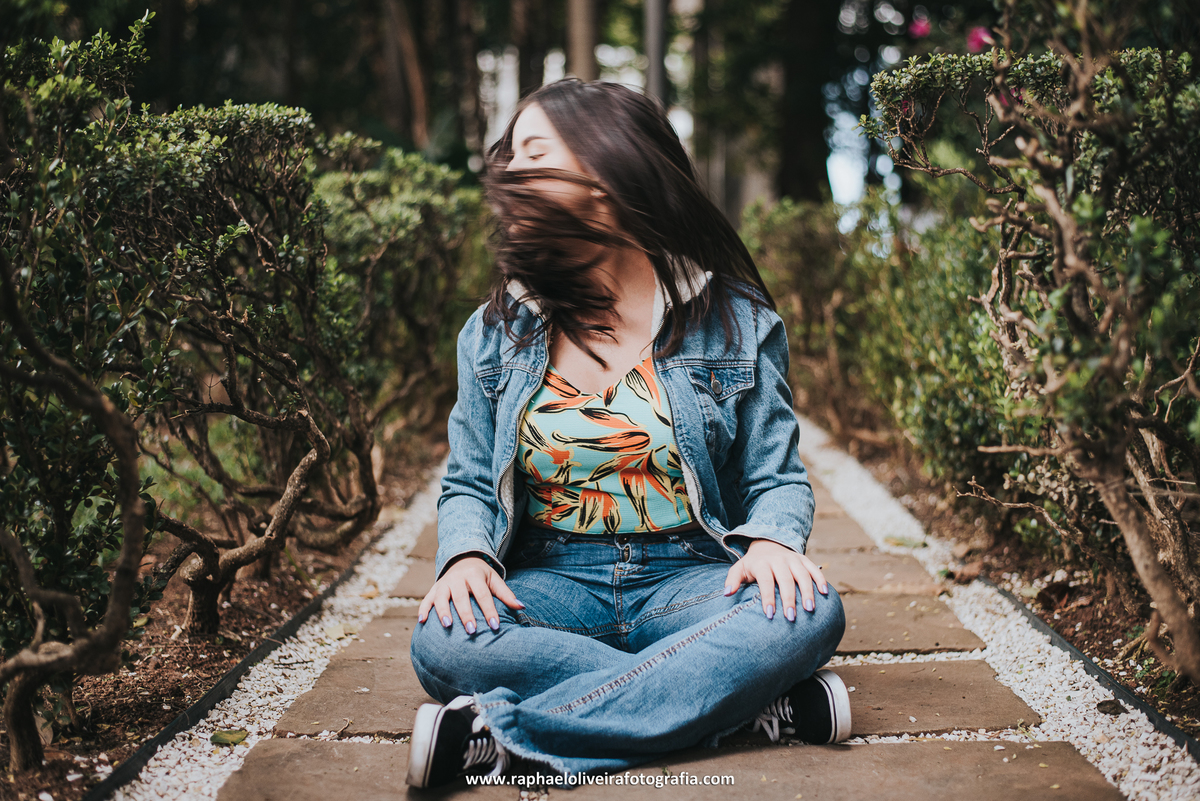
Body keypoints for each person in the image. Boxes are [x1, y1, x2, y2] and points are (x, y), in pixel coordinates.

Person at [406, 78, 848, 789]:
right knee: (442, 640)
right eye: (512, 154)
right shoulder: (495, 331)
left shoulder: (736, 320)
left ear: (606, 173)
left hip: (691, 576)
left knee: (809, 612)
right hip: (551, 581)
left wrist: (773, 541)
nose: (512, 172)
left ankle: (505, 736)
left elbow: (775, 477)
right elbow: (467, 483)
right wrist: (464, 557)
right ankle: (741, 703)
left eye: (535, 153)